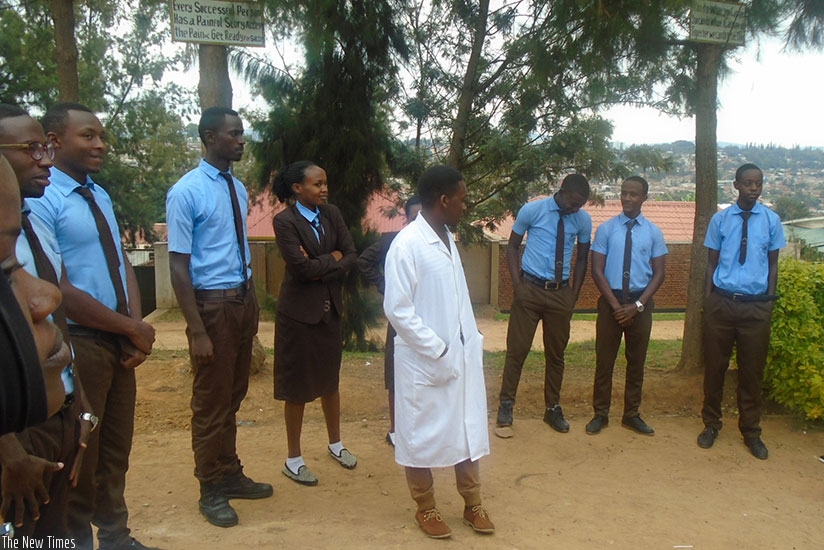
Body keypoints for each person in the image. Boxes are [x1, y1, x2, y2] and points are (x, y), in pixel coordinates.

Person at [30, 102, 156, 550]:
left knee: (116, 449)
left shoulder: (97, 193)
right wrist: (129, 327)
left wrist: (134, 327)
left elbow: (121, 261)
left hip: (118, 340)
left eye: (101, 136)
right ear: (54, 141)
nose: (99, 144)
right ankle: (78, 538)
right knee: (84, 447)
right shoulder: (41, 200)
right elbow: (58, 287)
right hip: (82, 345)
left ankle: (117, 535)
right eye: (87, 136)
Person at [167, 106, 272, 528]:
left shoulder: (237, 187)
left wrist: (251, 298)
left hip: (241, 303)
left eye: (242, 133)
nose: (241, 140)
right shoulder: (186, 192)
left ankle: (229, 473)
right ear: (210, 137)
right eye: (233, 134)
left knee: (234, 393)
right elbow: (178, 266)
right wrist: (196, 329)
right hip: (211, 306)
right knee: (211, 400)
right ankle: (209, 487)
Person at [0, 106, 95, 538]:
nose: (46, 160)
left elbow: (56, 317)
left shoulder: (35, 224)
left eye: (47, 147)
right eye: (31, 149)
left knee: (58, 535)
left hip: (60, 412)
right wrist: (9, 452)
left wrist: (80, 404)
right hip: (18, 430)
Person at [384, 165, 493, 539]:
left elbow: (457, 298)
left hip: (459, 356)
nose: (465, 206)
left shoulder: (447, 237)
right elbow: (398, 309)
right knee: (420, 436)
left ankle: (472, 502)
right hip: (425, 362)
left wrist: (469, 337)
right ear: (444, 200)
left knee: (466, 428)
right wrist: (438, 347)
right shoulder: (408, 245)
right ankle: (425, 508)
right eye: (462, 199)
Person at [272, 160, 358, 486]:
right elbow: (300, 270)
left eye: (325, 183)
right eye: (317, 184)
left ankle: (335, 444)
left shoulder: (332, 214)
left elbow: (350, 253)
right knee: (297, 388)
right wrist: (332, 258)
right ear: (298, 188)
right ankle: (293, 459)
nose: (324, 189)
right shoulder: (285, 222)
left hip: (330, 311)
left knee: (329, 382)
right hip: (298, 316)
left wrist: (328, 260)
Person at [697, 163, 785, 460]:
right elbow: (711, 264)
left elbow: (773, 265)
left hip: (756, 308)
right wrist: (709, 302)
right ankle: (711, 424)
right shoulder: (720, 221)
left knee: (751, 372)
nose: (753, 188)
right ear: (736, 185)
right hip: (722, 304)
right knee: (715, 368)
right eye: (748, 183)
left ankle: (751, 431)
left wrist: (768, 301)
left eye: (758, 183)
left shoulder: (771, 221)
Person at [496, 174, 592, 433]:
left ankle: (552, 409)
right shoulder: (532, 210)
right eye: (572, 203)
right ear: (561, 191)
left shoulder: (582, 220)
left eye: (580, 205)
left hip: (561, 293)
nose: (575, 209)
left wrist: (573, 293)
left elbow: (583, 258)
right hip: (530, 289)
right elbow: (513, 246)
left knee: (556, 354)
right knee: (517, 350)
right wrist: (518, 286)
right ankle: (506, 405)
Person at [586, 176, 667, 436]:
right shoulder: (607, 229)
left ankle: (631, 414)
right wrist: (616, 306)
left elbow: (659, 273)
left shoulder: (653, 232)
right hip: (611, 302)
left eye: (634, 194)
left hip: (640, 303)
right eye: (624, 193)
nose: (627, 198)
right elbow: (597, 270)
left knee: (636, 363)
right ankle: (600, 413)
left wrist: (638, 306)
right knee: (604, 361)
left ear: (645, 197)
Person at [356, 196, 422, 447]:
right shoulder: (391, 241)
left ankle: (420, 426)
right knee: (395, 371)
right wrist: (386, 286)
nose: (420, 223)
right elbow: (363, 262)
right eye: (415, 217)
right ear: (406, 218)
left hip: (428, 315)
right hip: (400, 315)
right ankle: (395, 430)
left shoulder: (437, 242)